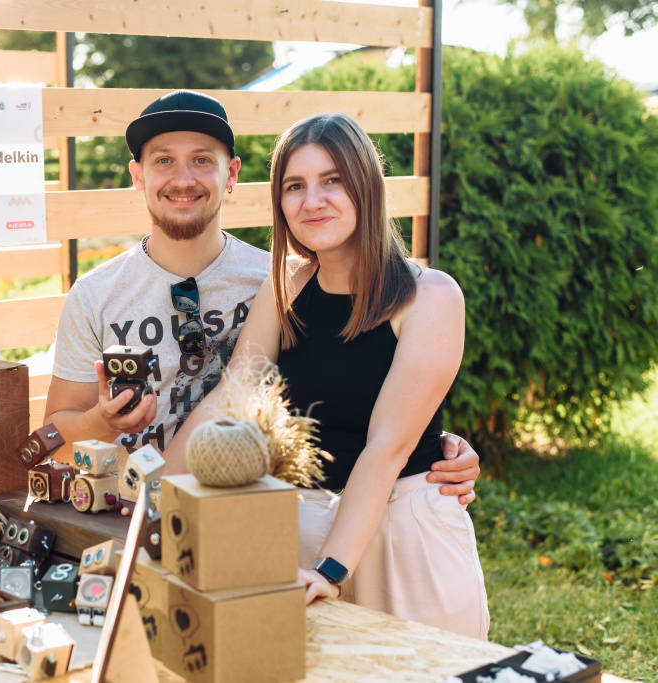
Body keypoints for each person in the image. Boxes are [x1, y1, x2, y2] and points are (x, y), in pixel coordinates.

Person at [44, 90, 480, 505]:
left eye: (201, 160)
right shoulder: (95, 295)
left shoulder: (283, 281)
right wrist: (102, 426)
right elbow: (53, 438)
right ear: (138, 175)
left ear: (231, 173)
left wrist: (428, 448)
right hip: (125, 501)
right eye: (163, 161)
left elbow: (357, 373)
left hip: (255, 503)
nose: (183, 178)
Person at [166, 112, 489, 639]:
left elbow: (387, 446)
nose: (312, 201)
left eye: (332, 180)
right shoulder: (285, 287)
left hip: (403, 530)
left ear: (365, 185)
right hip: (306, 525)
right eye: (295, 186)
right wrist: (150, 496)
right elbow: (232, 394)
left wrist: (332, 570)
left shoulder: (429, 296)